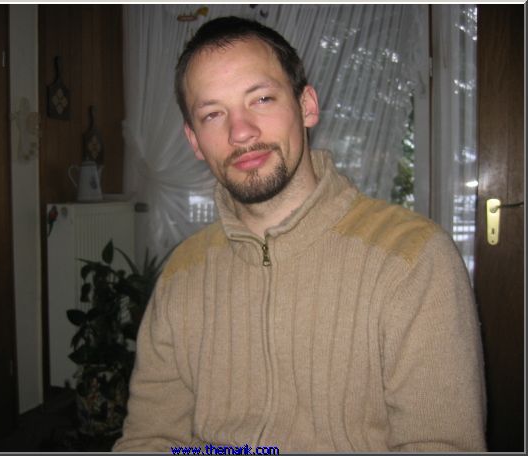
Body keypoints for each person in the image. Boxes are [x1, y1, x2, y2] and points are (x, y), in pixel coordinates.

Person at [113, 16, 486, 452]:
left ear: (307, 106)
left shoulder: (414, 260)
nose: (241, 131)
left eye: (262, 98)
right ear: (195, 140)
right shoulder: (183, 273)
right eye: (213, 114)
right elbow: (151, 439)